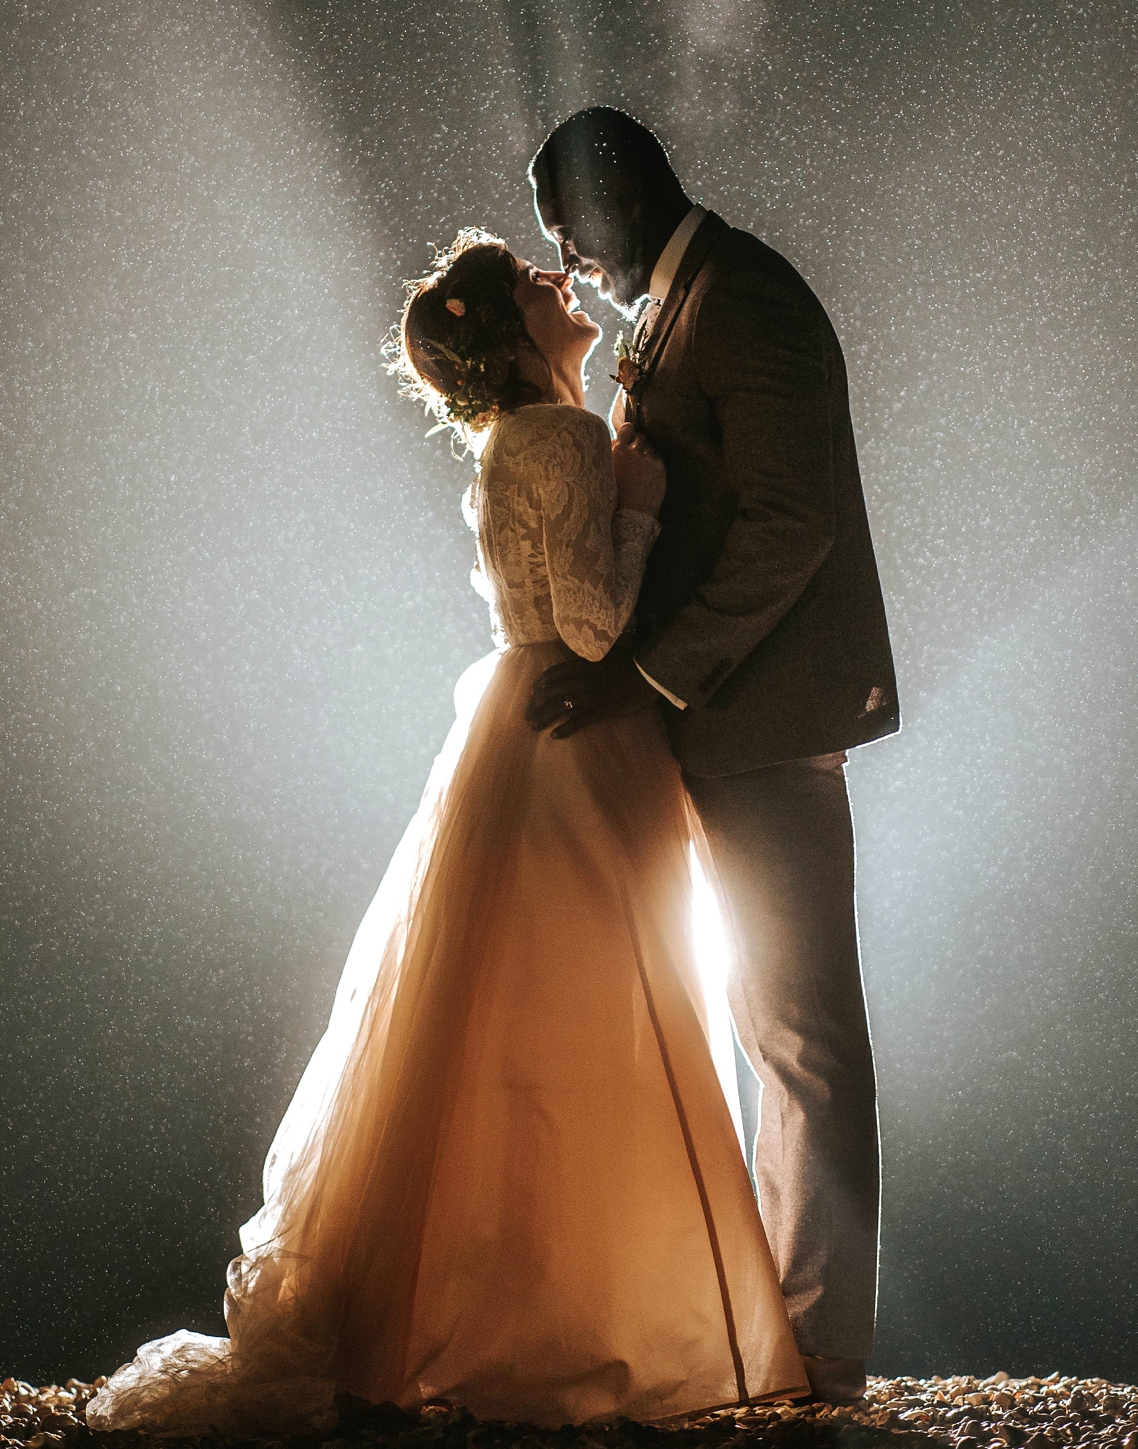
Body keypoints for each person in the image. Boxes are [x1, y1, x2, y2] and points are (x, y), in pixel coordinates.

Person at [87, 229, 808, 1438]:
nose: (558, 280)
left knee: (491, 1030)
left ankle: (460, 1313)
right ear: (519, 339)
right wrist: (640, 508)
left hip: (513, 751)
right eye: (534, 284)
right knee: (593, 1025)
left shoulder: (510, 444)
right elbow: (589, 627)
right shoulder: (570, 440)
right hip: (578, 748)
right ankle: (575, 1317)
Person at [525, 109, 900, 1405]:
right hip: (718, 726)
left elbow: (794, 522)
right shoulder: (694, 302)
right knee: (760, 1028)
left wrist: (652, 672)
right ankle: (781, 1330)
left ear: (618, 185)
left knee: (803, 1035)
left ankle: (826, 1348)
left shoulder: (744, 300)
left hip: (767, 727)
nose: (566, 257)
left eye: (566, 223)